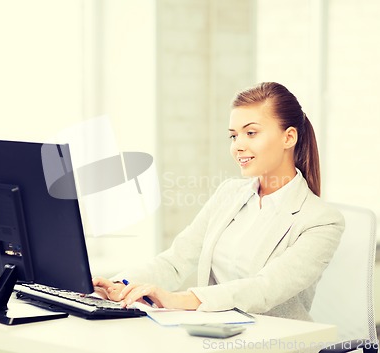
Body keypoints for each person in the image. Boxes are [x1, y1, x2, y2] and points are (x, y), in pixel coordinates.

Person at [93, 82, 345, 321]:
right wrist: (119, 286)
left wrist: (175, 299)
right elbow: (175, 260)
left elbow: (264, 288)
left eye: (251, 133)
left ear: (288, 138)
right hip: (211, 333)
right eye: (234, 136)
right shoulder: (229, 194)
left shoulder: (321, 220)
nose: (238, 146)